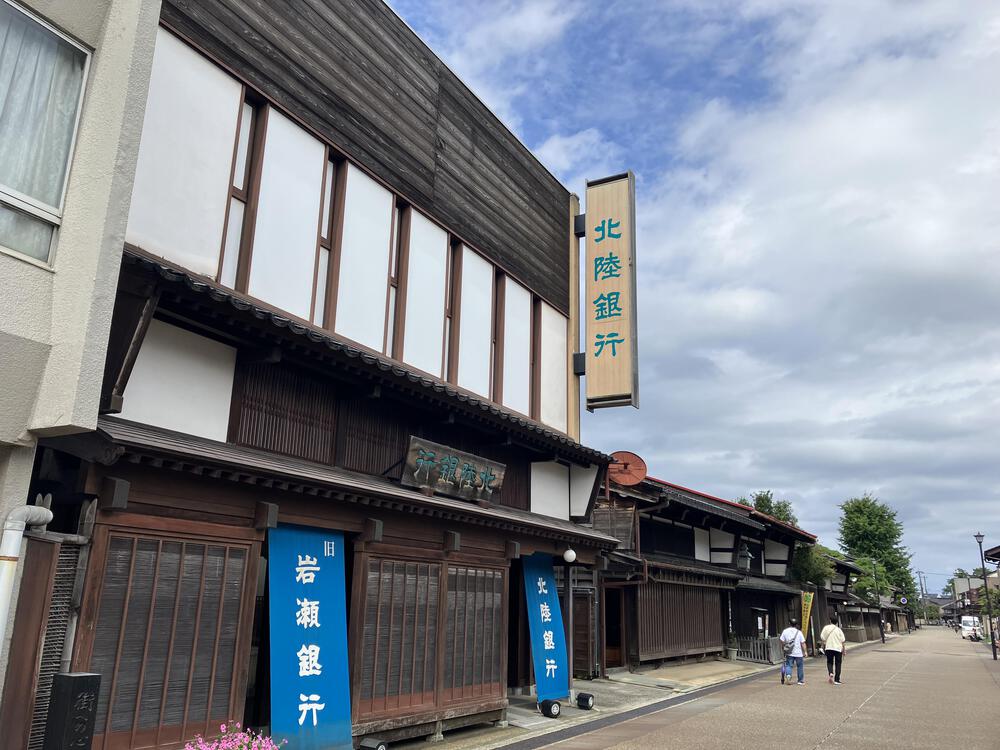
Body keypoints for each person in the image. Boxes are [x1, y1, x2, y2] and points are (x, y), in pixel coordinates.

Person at [779, 617, 807, 685]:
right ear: (796, 624)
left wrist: (784, 646)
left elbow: (781, 640)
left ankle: (788, 676)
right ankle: (800, 681)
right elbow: (802, 643)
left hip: (789, 652)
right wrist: (805, 651)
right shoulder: (799, 632)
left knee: (788, 665)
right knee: (800, 666)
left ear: (789, 623)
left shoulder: (785, 631)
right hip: (798, 653)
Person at [820, 614, 846, 685]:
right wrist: (844, 650)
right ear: (837, 622)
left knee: (829, 662)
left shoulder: (826, 628)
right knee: (838, 663)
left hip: (829, 648)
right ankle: (837, 679)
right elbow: (843, 641)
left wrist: (823, 645)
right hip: (838, 648)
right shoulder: (839, 630)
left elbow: (822, 637)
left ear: (830, 621)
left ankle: (831, 672)